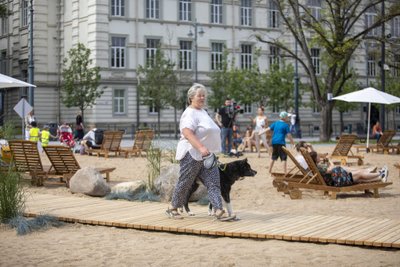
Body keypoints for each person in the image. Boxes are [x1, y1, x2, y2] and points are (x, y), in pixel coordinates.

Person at [166, 83, 234, 221]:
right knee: (186, 181)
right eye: (199, 95)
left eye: (204, 95)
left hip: (207, 154)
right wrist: (201, 148)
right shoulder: (189, 113)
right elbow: (187, 132)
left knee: (214, 181)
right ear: (191, 97)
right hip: (192, 152)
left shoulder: (203, 112)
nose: (202, 98)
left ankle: (218, 210)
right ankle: (173, 208)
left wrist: (207, 149)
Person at [309, 151, 389, 186]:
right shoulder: (319, 167)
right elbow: (330, 170)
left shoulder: (317, 166)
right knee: (360, 174)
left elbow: (329, 170)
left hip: (338, 177)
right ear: (315, 159)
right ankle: (381, 173)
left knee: (360, 178)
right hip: (339, 180)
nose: (319, 157)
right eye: (318, 156)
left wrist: (330, 163)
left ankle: (379, 177)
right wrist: (330, 162)